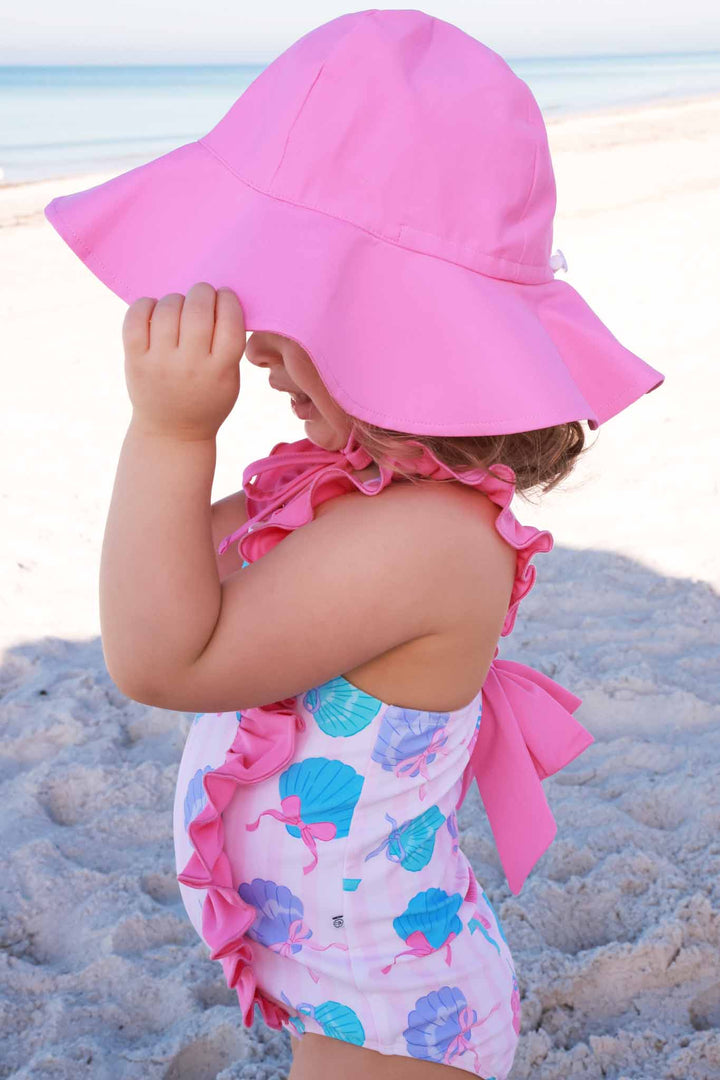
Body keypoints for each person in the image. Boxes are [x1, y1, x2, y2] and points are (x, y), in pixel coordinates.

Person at [43, 10, 665, 1079]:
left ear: (398, 327)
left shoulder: (426, 539)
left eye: (305, 301)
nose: (268, 335)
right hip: (343, 983)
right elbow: (174, 582)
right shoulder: (352, 491)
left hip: (392, 1006)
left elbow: (160, 656)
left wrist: (172, 430)